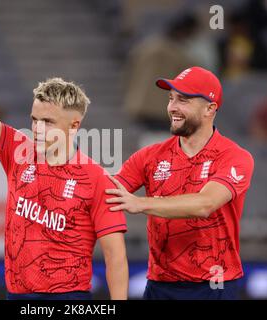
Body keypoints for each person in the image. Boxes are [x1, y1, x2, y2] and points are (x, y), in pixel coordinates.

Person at [0, 14, 128, 300]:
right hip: (17, 295)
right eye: (34, 119)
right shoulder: (18, 152)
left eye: (48, 122)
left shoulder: (97, 179)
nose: (37, 128)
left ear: (74, 125)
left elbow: (116, 258)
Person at [106, 66, 254, 300]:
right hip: (160, 286)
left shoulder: (235, 156)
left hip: (216, 286)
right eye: (171, 99)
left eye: (183, 100)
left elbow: (205, 204)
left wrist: (141, 203)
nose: (172, 107)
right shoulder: (149, 156)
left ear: (210, 108)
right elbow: (105, 193)